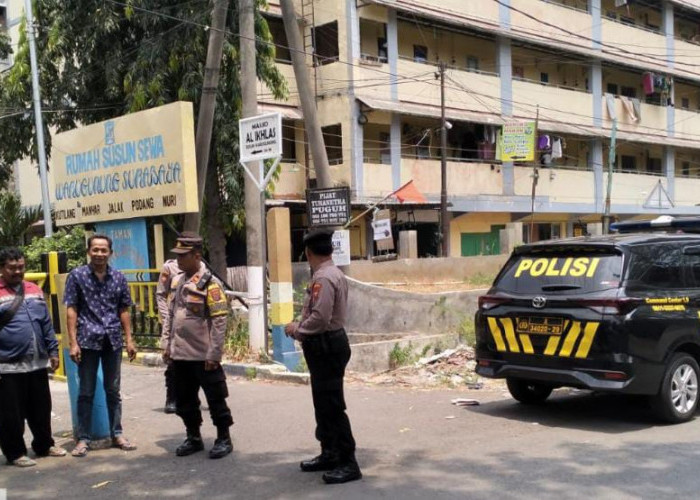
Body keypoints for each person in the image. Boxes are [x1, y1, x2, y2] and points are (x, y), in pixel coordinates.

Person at [285, 228, 362, 484]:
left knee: (332, 406)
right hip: (326, 346)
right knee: (323, 404)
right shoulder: (331, 273)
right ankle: (329, 453)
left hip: (327, 346)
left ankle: (348, 463)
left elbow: (320, 318)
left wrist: (297, 329)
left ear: (308, 253)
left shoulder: (324, 278)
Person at [64, 234, 137, 457]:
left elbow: (124, 309)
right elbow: (72, 310)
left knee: (113, 391)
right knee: (86, 392)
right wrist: (73, 342)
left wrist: (129, 339)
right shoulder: (77, 276)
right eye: (95, 249)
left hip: (112, 340)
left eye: (103, 250)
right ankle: (83, 439)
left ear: (110, 253)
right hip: (87, 341)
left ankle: (117, 433)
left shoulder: (118, 277)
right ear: (89, 251)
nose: (99, 254)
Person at [161, 232, 233, 459]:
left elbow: (220, 321)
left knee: (215, 399)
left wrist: (214, 354)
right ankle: (193, 437)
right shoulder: (177, 281)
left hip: (203, 356)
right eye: (178, 256)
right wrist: (167, 345)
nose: (179, 260)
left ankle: (223, 438)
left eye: (184, 256)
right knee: (184, 401)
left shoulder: (210, 284)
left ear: (197, 255)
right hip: (181, 355)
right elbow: (171, 316)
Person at [0, 247, 67, 467]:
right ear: (2, 269)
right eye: (12, 268)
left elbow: (46, 323)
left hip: (37, 362)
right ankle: (15, 453)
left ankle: (44, 445)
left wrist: (53, 351)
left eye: (21, 267)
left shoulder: (35, 290)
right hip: (8, 365)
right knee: (11, 414)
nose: (17, 272)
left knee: (41, 408)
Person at [156, 258, 180, 414]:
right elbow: (161, 294)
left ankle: (190, 398)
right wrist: (167, 318)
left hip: (193, 324)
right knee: (171, 361)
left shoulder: (203, 268)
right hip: (172, 322)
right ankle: (171, 398)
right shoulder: (170, 267)